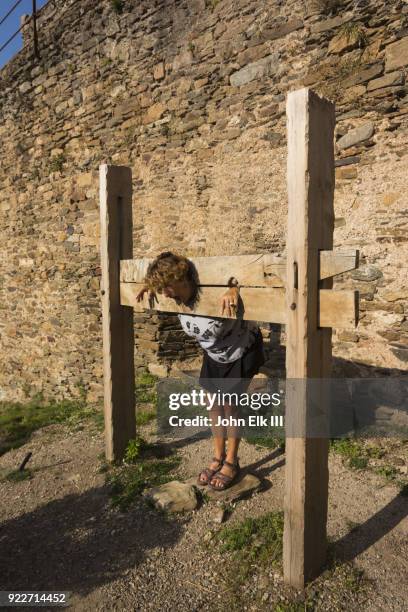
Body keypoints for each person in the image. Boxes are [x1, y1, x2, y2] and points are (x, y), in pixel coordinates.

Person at [136, 251, 265, 491]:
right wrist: (149, 286)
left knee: (230, 406)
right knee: (213, 405)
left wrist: (235, 288)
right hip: (214, 354)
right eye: (160, 288)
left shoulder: (208, 287)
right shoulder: (171, 295)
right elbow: (162, 286)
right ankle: (217, 456)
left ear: (181, 278)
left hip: (241, 350)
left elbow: (249, 276)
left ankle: (232, 461)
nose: (164, 293)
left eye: (166, 286)